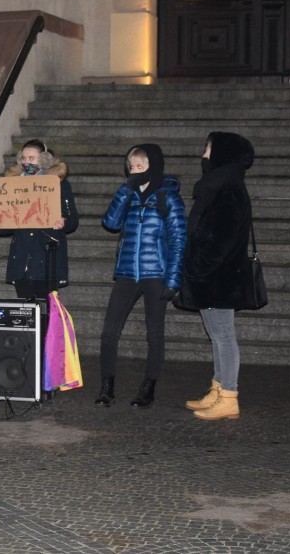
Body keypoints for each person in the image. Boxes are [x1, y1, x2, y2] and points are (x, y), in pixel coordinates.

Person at [94, 144, 187, 409]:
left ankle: (148, 388)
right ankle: (107, 388)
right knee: (109, 332)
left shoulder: (168, 197)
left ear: (152, 166)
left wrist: (173, 278)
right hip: (127, 273)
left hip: (155, 273)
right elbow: (110, 223)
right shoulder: (129, 194)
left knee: (154, 333)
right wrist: (125, 191)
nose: (134, 171)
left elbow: (179, 239)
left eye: (139, 166)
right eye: (131, 167)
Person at [177, 132, 255, 421]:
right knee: (217, 334)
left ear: (223, 154)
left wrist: (198, 268)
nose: (204, 155)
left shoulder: (229, 189)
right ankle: (219, 388)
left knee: (223, 335)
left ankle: (229, 396)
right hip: (212, 275)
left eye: (209, 149)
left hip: (218, 276)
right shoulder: (218, 185)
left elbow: (222, 239)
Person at [0, 139, 79, 299]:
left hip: (46, 256)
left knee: (46, 309)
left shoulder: (59, 184)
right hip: (22, 258)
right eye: (24, 158)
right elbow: (9, 224)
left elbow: (72, 221)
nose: (27, 162)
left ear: (44, 159)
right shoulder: (13, 185)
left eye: (31, 158)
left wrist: (63, 222)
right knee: (25, 312)